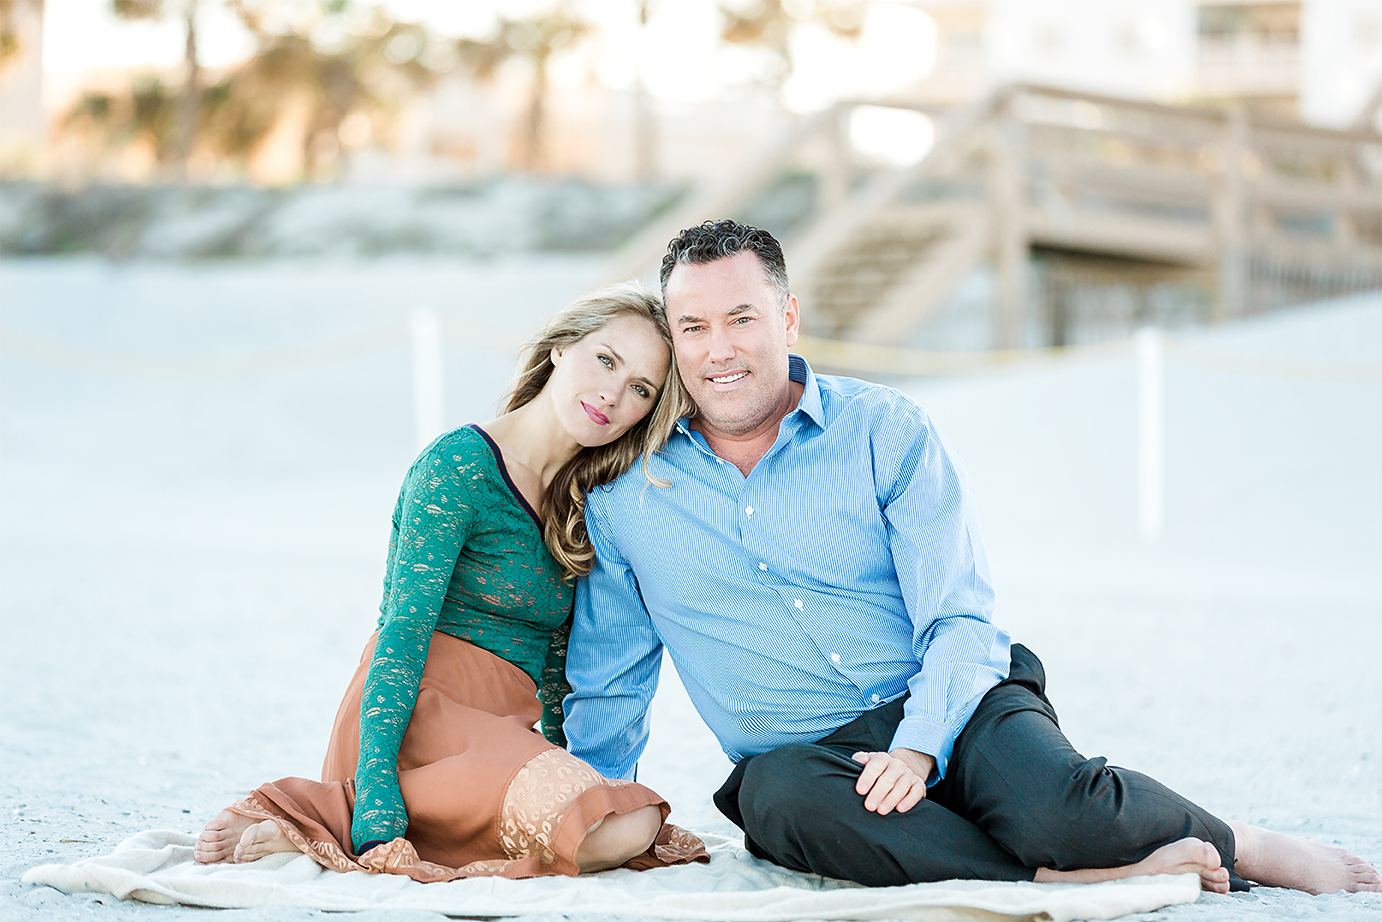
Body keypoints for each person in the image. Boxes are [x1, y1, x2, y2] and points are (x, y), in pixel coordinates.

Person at [563, 219, 1382, 896]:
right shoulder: (627, 496)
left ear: (787, 318)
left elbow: (957, 614)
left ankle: (1239, 842)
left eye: (741, 318)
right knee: (780, 810)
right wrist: (594, 809)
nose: (719, 350)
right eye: (694, 328)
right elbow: (613, 675)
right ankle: (1055, 882)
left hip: (956, 698)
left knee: (1062, 810)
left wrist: (919, 746)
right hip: (809, 762)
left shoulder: (886, 430)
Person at [194, 282, 706, 881]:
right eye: (606, 359)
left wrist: (567, 766)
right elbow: (401, 634)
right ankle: (332, 810)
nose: (612, 393)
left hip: (500, 734)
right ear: (563, 347)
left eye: (640, 388)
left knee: (629, 821)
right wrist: (378, 788)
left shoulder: (585, 500)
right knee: (611, 829)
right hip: (413, 719)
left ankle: (399, 819)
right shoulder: (457, 468)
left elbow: (554, 665)